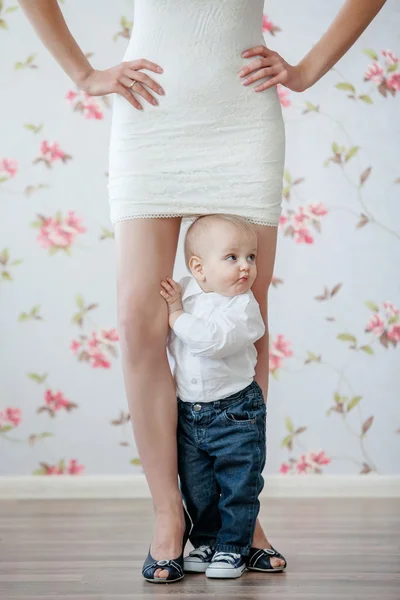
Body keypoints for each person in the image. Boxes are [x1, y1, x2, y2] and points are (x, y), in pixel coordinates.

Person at [18, 0, 387, 585]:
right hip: (151, 115)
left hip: (241, 119)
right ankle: (169, 515)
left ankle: (237, 522)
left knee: (243, 316)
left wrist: (308, 68)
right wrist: (85, 75)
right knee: (141, 319)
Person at [159, 213, 286, 580]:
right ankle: (207, 541)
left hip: (236, 413)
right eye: (232, 257)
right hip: (190, 411)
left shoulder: (244, 309)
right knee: (197, 486)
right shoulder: (188, 293)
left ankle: (233, 547)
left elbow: (211, 341)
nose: (246, 267)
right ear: (199, 268)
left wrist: (176, 314)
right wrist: (175, 306)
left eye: (251, 257)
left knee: (238, 485)